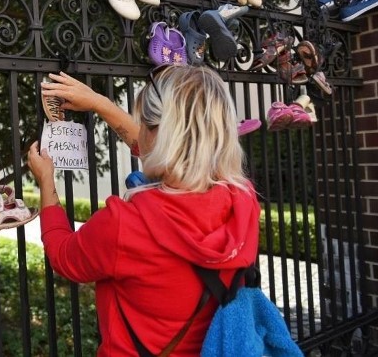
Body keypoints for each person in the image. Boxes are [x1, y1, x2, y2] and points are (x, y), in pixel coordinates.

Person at [27, 65, 261, 356]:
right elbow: (162, 148)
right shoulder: (244, 201)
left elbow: (63, 257)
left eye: (144, 125)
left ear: (156, 136)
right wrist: (98, 102)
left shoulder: (126, 224)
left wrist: (46, 179)